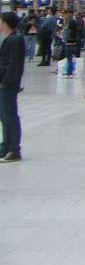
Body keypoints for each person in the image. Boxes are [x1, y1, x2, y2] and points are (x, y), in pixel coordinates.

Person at [0, 11, 26, 162]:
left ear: (6, 23)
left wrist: (5, 81)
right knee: (4, 117)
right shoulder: (10, 39)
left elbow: (14, 65)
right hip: (4, 83)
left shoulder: (15, 40)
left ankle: (14, 149)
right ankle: (5, 146)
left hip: (8, 84)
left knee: (10, 117)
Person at [62, 9, 81, 77]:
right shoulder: (76, 26)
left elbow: (65, 37)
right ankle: (71, 71)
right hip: (75, 44)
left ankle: (69, 73)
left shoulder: (68, 28)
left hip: (68, 44)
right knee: (72, 59)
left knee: (69, 59)